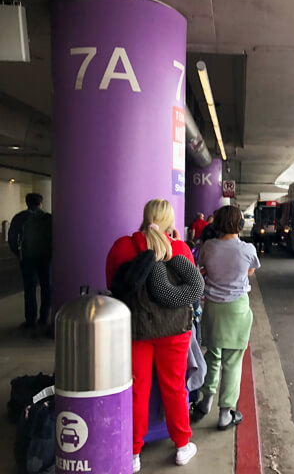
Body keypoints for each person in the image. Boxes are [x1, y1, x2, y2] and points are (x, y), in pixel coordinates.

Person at [105, 199, 200, 472]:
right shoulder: (180, 249)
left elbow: (113, 283)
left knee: (136, 390)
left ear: (145, 217)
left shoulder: (123, 246)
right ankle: (182, 446)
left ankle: (133, 453)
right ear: (170, 220)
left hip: (136, 329)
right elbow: (191, 291)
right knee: (174, 387)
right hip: (175, 332)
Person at [193, 205, 260, 429]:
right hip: (237, 309)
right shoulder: (248, 249)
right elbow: (250, 271)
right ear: (240, 225)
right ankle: (225, 413)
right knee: (233, 362)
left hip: (213, 307)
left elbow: (202, 268)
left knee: (212, 357)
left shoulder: (209, 246)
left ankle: (205, 402)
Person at [8, 193, 52, 328]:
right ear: (40, 203)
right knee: (46, 287)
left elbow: (12, 239)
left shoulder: (20, 217)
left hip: (27, 258)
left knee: (30, 288)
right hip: (45, 258)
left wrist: (19, 253)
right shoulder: (48, 218)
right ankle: (44, 317)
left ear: (27, 203)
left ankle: (30, 319)